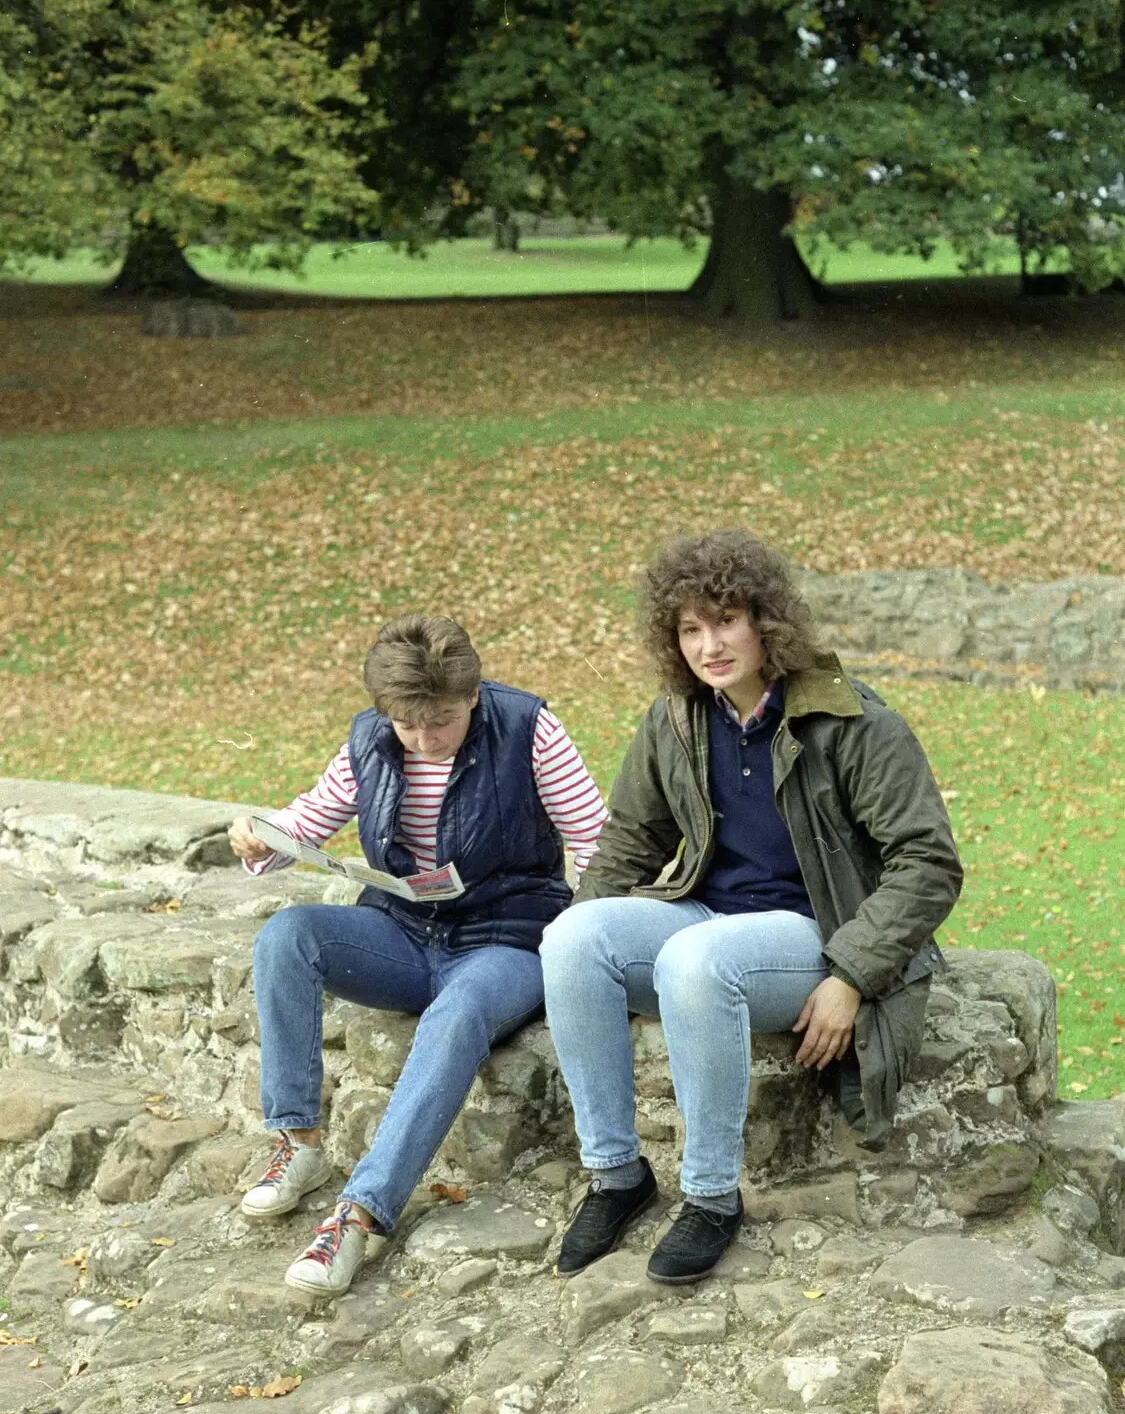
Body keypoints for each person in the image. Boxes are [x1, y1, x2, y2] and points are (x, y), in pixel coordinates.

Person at [540, 529, 963, 1286]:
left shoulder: (852, 722)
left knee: (696, 960)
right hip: (705, 920)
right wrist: (583, 974)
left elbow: (927, 865)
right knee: (574, 936)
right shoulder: (674, 719)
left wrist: (850, 974)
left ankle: (709, 1198)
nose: (710, 645)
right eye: (690, 629)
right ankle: (615, 1176)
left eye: (726, 621)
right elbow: (628, 844)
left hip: (815, 933)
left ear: (767, 623)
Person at [228, 613, 606, 1297]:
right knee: (287, 935)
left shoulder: (528, 728)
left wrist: (588, 934)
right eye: (409, 725)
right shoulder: (371, 739)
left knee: (459, 1011)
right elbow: (311, 819)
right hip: (404, 931)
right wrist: (262, 835)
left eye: (441, 721)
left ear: (471, 696)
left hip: (505, 938)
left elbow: (594, 839)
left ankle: (358, 1214)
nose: (425, 739)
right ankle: (299, 1142)